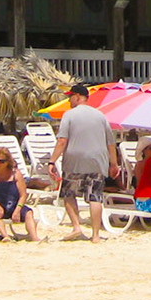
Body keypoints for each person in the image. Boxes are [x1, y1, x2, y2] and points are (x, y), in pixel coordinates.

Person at [50, 84, 117, 241]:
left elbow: (62, 141)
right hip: (97, 161)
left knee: (69, 194)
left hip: (74, 161)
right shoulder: (101, 115)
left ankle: (77, 227)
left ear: (78, 97)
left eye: (70, 97)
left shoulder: (69, 115)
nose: (68, 101)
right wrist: (114, 164)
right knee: (96, 197)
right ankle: (95, 235)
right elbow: (111, 143)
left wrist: (52, 161)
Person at [0, 146, 39, 239]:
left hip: (13, 205)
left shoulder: (16, 174)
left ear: (8, 162)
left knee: (29, 213)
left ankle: (35, 238)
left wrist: (18, 209)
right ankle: (5, 236)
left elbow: (23, 195)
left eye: (1, 161)